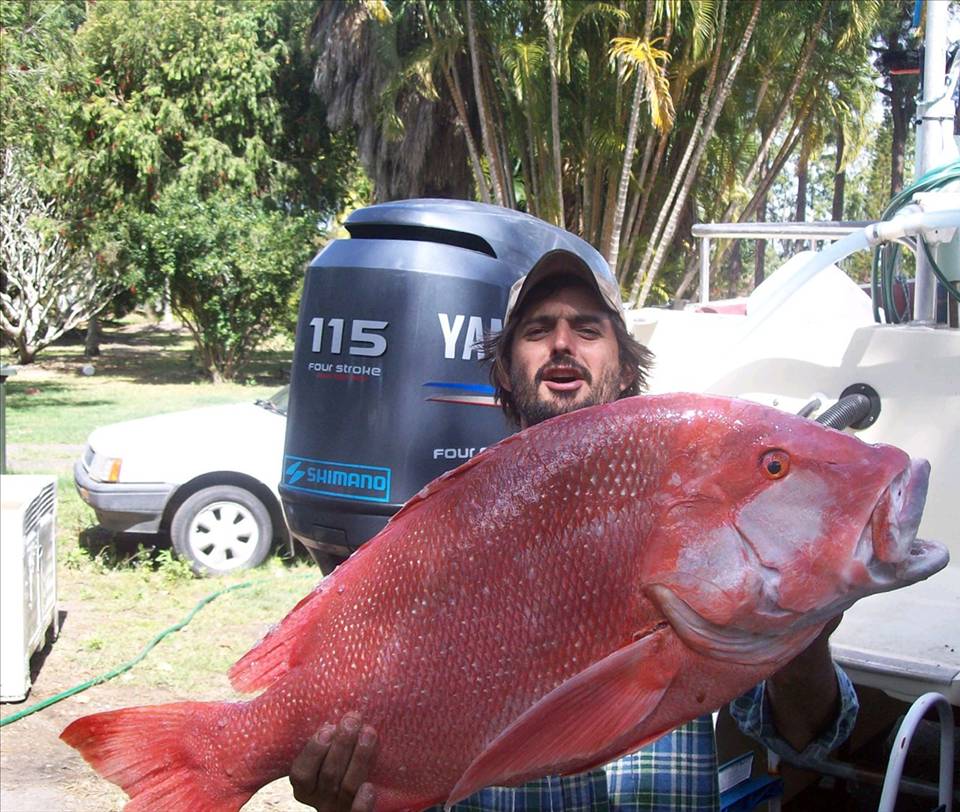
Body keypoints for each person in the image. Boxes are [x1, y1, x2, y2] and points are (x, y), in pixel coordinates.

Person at [289, 250, 858, 811]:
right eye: (538, 330)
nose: (562, 343)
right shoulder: (452, 533)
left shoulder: (690, 514)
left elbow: (805, 738)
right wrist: (348, 794)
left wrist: (807, 640)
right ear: (505, 374)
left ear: (627, 367)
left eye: (588, 328)